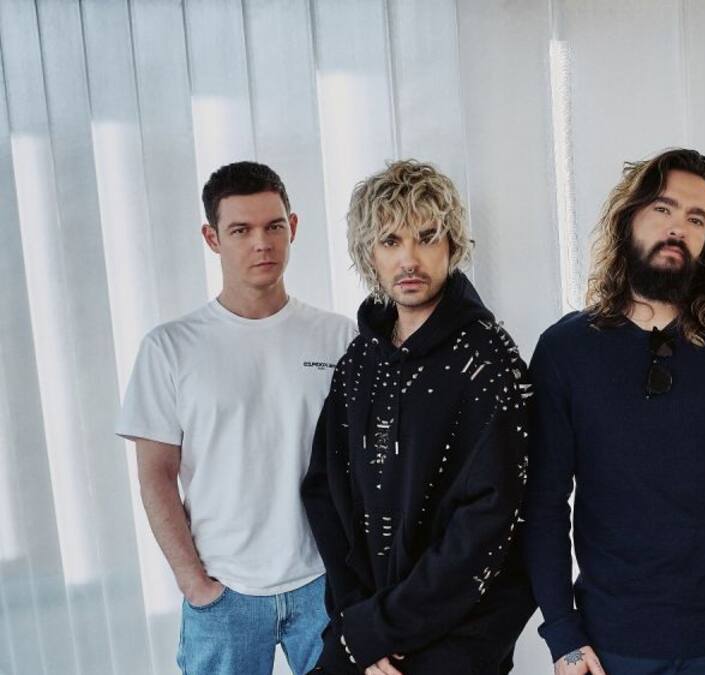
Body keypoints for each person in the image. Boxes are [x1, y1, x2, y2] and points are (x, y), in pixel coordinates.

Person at [524, 148, 705, 675]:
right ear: (628, 218)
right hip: (615, 648)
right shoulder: (566, 350)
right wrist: (563, 634)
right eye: (663, 208)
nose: (678, 227)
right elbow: (544, 503)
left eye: (696, 219)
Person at [117, 161, 356, 674]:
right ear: (212, 238)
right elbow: (155, 475)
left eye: (273, 226)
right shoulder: (170, 348)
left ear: (293, 227)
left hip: (324, 584)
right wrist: (194, 584)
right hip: (225, 593)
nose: (261, 244)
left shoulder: (339, 338)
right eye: (241, 230)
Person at [301, 160, 535, 675]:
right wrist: (358, 623)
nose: (409, 259)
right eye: (390, 241)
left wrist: (382, 628)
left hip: (459, 639)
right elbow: (326, 491)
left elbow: (489, 522)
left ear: (451, 245)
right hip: (365, 630)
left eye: (427, 237)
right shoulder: (360, 361)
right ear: (370, 253)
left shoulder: (488, 360)